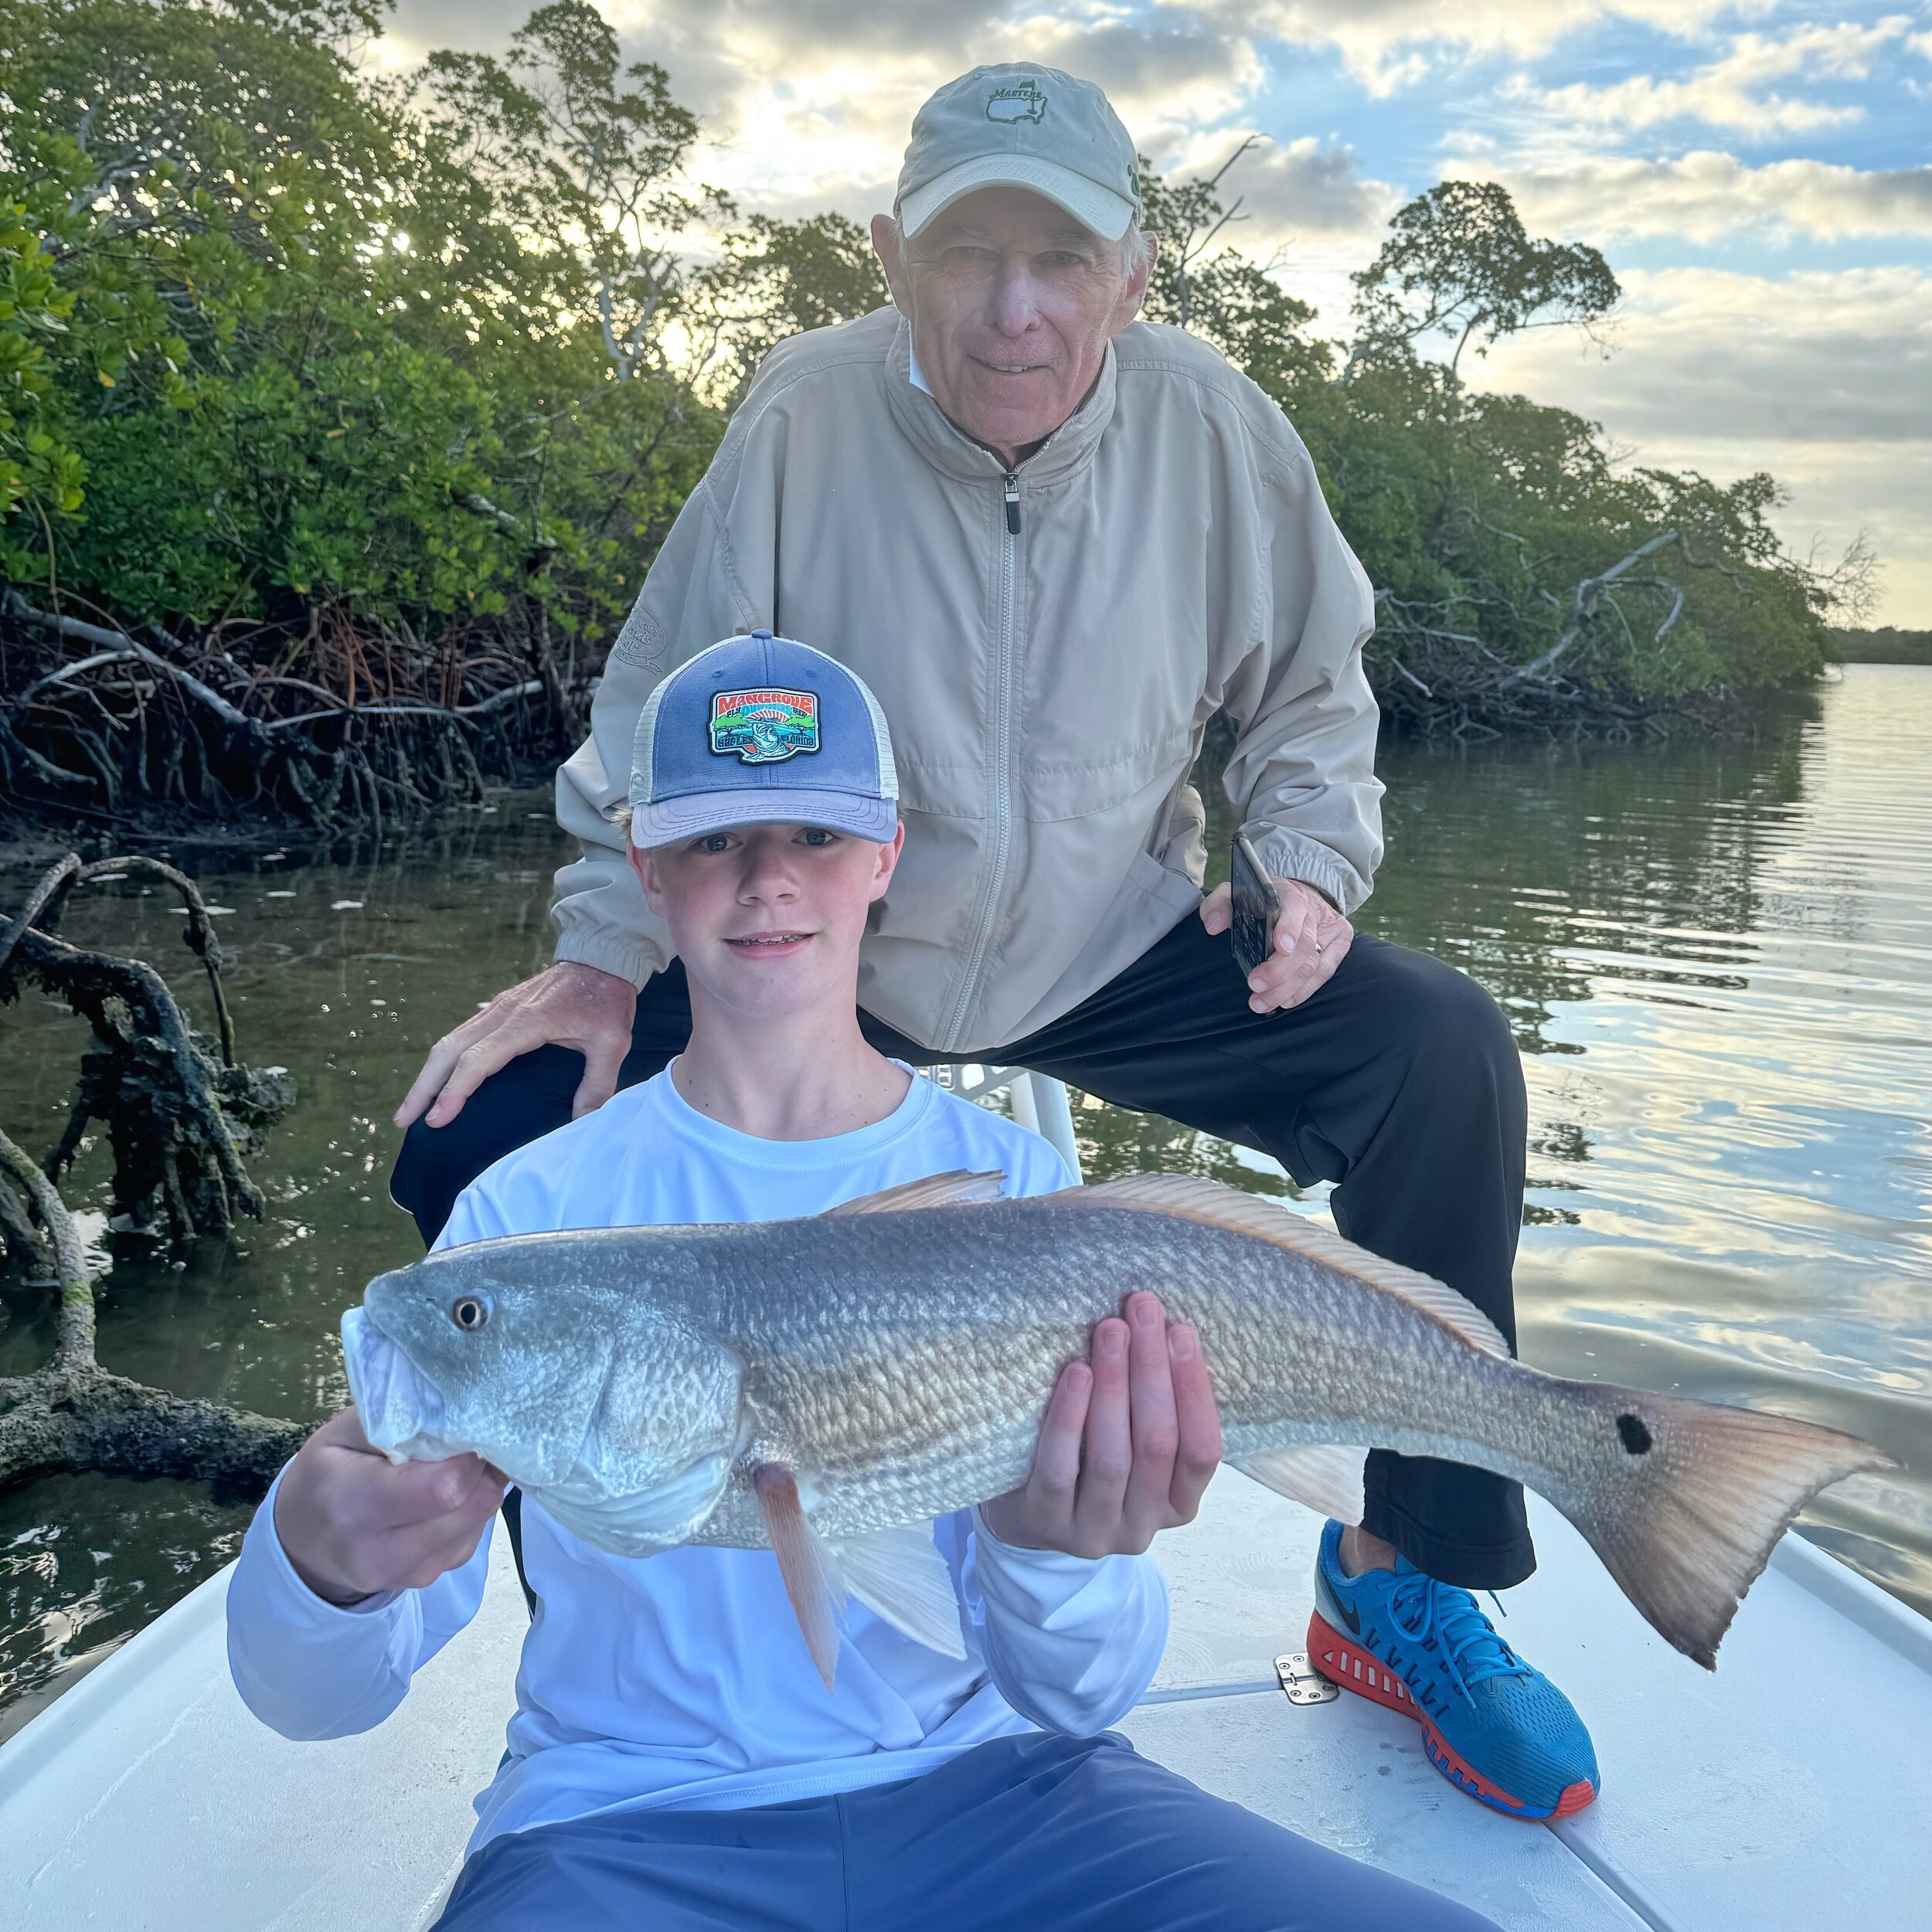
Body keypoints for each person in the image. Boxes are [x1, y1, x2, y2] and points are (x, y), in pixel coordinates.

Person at [389, 62, 1597, 1819]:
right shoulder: (798, 417)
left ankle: (1406, 1566)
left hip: (1115, 937)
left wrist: (1310, 867)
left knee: (1441, 1055)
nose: (1012, 306)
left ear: (1132, 277)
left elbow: (1311, 695)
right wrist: (596, 953)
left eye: (1059, 258)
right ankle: (604, 1583)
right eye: (966, 256)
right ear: (891, 258)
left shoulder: (1219, 431)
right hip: (837, 941)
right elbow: (659, 702)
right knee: (471, 1134)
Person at [227, 639, 1500, 1931]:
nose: (769, 881)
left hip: (1013, 1793)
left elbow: (1079, 1697)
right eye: (716, 842)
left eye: (816, 837)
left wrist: (1053, 1555)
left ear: (885, 856)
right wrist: (316, 1565)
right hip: (621, 1828)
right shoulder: (523, 1222)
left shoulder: (1014, 1185)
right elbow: (319, 1700)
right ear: (649, 868)